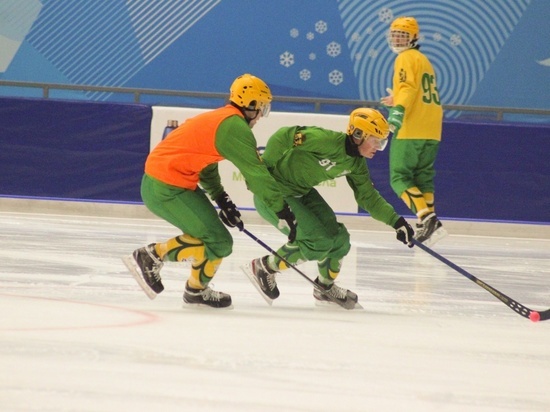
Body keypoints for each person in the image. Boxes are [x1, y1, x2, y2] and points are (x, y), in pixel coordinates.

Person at [122, 74, 297, 309]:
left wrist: (221, 199)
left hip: (170, 182)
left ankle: (196, 291)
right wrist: (281, 209)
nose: (261, 116)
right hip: (166, 186)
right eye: (262, 109)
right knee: (218, 241)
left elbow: (206, 162)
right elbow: (257, 176)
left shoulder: (223, 120)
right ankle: (153, 255)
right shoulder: (235, 127)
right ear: (252, 105)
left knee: (220, 242)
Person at [242, 108, 415, 308]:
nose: (378, 147)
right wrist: (264, 171)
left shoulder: (357, 165)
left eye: (382, 142)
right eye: (376, 140)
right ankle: (263, 268)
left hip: (301, 192)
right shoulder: (325, 140)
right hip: (273, 195)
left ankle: (324, 288)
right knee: (317, 242)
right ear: (359, 135)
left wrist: (397, 222)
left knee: (339, 239)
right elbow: (284, 135)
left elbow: (368, 198)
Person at [381, 16, 447, 247]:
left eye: (403, 35)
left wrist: (397, 112)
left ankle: (426, 218)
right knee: (423, 177)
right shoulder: (423, 60)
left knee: (399, 177)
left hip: (411, 127)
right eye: (396, 35)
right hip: (432, 128)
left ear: (414, 38)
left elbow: (408, 88)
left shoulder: (404, 58)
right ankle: (429, 223)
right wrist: (396, 97)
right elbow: (417, 90)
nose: (398, 40)